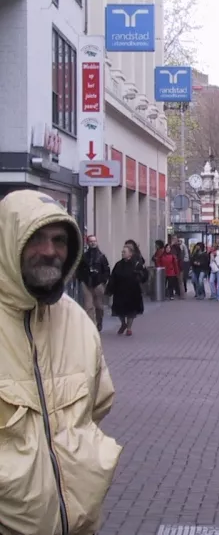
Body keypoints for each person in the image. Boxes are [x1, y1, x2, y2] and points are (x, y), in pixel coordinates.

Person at [0, 189, 121, 534]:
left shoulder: (78, 322)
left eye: (58, 240)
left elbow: (97, 406)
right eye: (35, 239)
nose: (50, 251)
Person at [106, 243, 147, 335]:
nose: (122, 253)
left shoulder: (136, 264)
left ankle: (129, 328)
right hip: (120, 291)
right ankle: (123, 324)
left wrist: (140, 277)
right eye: (122, 252)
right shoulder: (118, 264)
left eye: (124, 252)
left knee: (131, 311)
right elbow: (113, 277)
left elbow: (144, 275)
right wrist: (109, 289)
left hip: (132, 291)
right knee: (119, 311)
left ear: (130, 254)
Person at [75, 233, 110, 331]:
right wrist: (81, 279)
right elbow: (79, 269)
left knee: (99, 306)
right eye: (91, 241)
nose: (93, 243)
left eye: (94, 241)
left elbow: (107, 270)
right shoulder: (84, 256)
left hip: (98, 283)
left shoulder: (102, 257)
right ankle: (91, 325)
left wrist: (103, 280)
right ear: (88, 243)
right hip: (87, 283)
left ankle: (99, 321)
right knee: (88, 306)